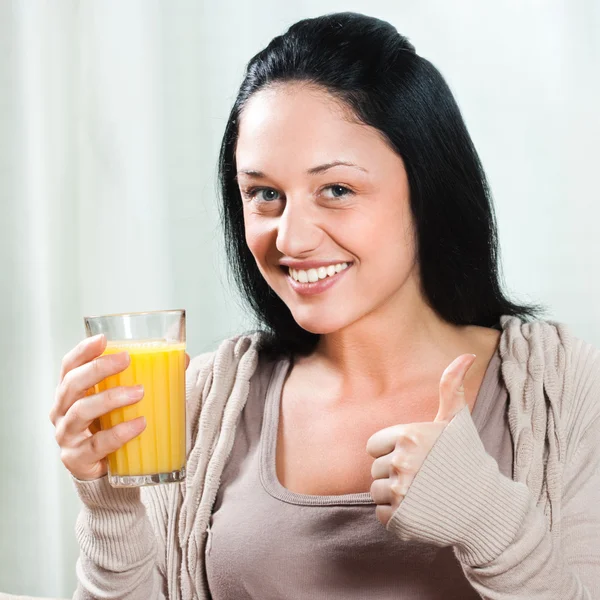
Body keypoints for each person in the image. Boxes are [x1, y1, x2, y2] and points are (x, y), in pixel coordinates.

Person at [49, 11, 600, 600]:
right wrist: (112, 509)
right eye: (264, 194)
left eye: (336, 190)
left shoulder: (560, 386)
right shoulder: (203, 403)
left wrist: (492, 523)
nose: (290, 238)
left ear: (427, 187)